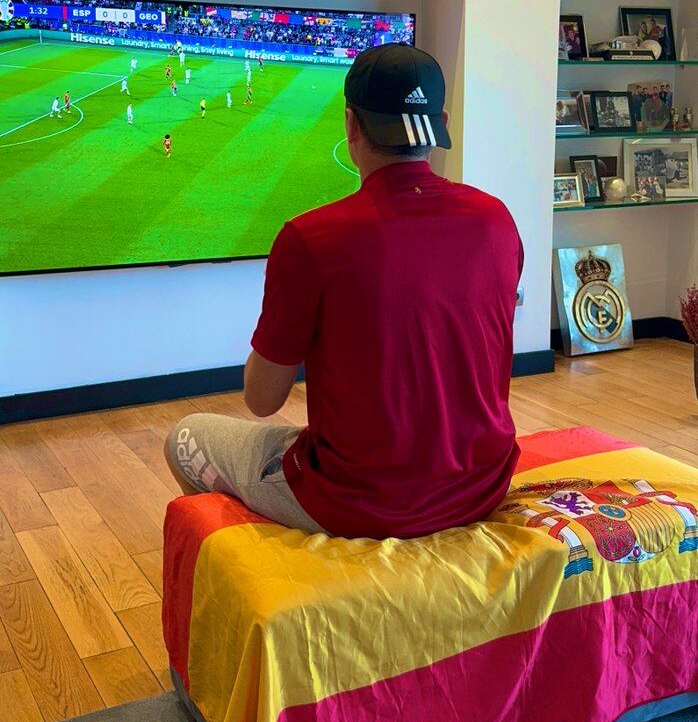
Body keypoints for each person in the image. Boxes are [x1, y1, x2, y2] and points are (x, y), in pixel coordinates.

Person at [166, 43, 524, 541]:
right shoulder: (497, 221)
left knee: (183, 436)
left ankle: (260, 577)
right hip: (482, 486)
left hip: (360, 502)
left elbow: (261, 398)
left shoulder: (311, 238)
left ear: (351, 124)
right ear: (440, 121)